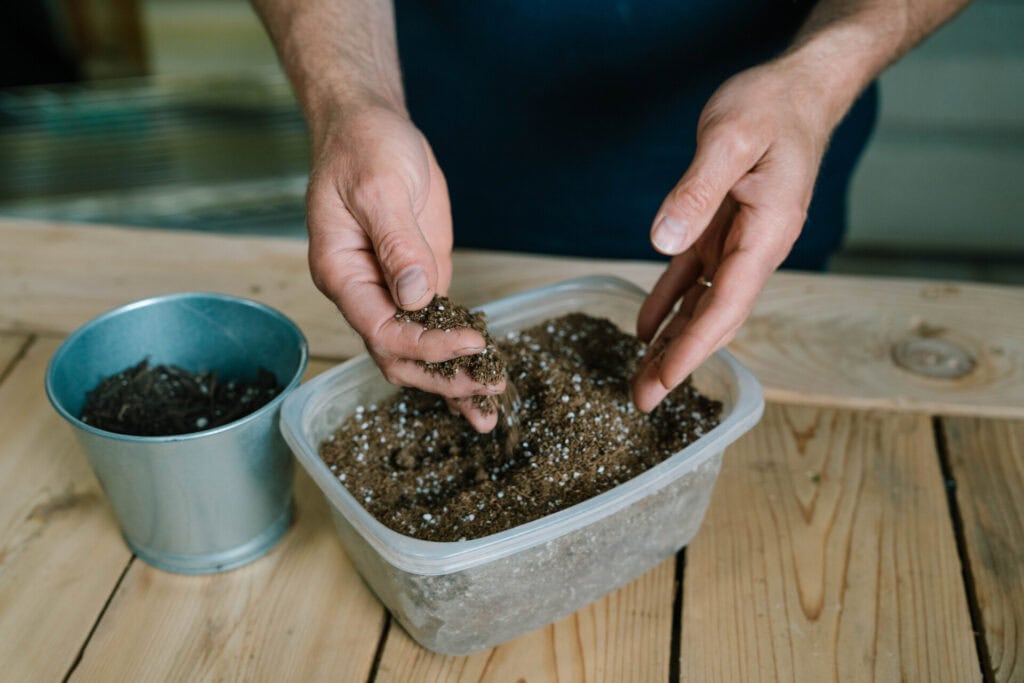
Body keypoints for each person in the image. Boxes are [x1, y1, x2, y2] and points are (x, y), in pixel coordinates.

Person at [253, 0, 970, 432]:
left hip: (755, 155)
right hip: (442, 143)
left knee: (730, 354)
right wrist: (353, 94)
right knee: (438, 334)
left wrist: (824, 72)